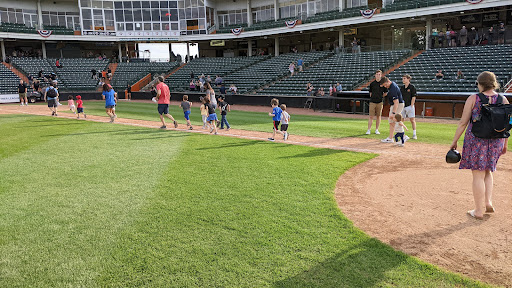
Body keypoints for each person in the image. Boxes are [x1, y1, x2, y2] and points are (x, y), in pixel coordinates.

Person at [450, 71, 509, 220]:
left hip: (476, 140)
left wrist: (454, 141)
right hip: (496, 141)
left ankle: (478, 210)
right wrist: (505, 143)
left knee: (477, 174)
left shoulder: (474, 98)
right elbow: (508, 124)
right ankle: (488, 202)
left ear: (480, 83)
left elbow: (463, 122)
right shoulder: (503, 99)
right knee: (488, 171)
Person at [380, 76, 405, 143]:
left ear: (388, 81)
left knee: (394, 120)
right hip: (396, 104)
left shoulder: (393, 88)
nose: (385, 86)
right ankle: (391, 137)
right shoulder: (391, 86)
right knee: (392, 121)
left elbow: (396, 102)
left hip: (397, 105)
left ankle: (400, 137)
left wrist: (393, 113)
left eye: (385, 84)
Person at [367, 70, 386, 135]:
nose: (378, 76)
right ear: (375, 75)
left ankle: (377, 129)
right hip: (372, 102)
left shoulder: (383, 84)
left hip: (380, 102)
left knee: (378, 116)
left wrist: (381, 96)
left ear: (381, 75)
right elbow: (370, 92)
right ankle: (368, 129)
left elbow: (386, 92)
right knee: (371, 116)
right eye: (377, 74)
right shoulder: (372, 84)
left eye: (379, 74)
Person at [400, 74, 417, 140]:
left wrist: (411, 105)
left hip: (409, 106)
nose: (403, 80)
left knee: (412, 120)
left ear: (408, 79)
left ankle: (414, 134)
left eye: (404, 78)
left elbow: (414, 96)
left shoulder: (412, 87)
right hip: (403, 106)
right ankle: (401, 133)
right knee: (401, 120)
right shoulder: (402, 88)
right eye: (403, 78)